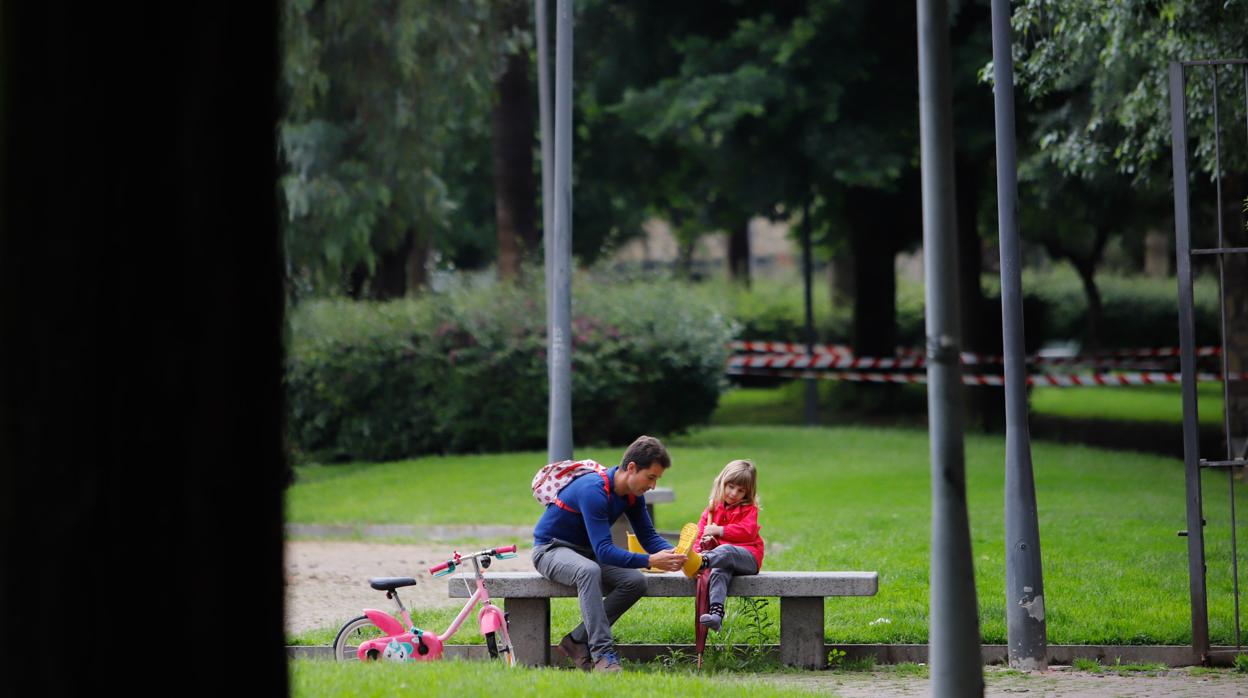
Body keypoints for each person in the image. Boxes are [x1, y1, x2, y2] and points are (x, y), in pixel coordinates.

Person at [531, 435, 687, 673]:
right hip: (550, 550)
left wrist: (679, 554)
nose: (653, 485)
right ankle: (603, 654)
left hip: (585, 553)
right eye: (651, 477)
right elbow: (604, 551)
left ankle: (576, 640)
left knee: (635, 581)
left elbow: (648, 537)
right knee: (588, 571)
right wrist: (649, 560)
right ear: (632, 468)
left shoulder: (633, 495)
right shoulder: (593, 490)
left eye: (657, 479)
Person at [691, 459, 765, 632]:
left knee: (726, 551)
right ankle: (716, 615)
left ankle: (701, 561)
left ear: (748, 493)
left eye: (741, 490)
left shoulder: (749, 510)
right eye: (730, 487)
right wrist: (698, 550)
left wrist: (720, 530)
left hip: (748, 558)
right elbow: (698, 537)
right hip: (721, 560)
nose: (733, 493)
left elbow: (747, 532)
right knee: (719, 571)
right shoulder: (711, 511)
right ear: (722, 483)